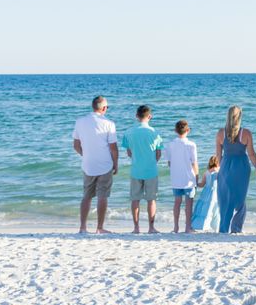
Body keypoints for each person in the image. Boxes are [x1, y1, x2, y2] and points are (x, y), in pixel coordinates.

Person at [72, 96, 118, 234]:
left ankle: (83, 227)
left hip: (88, 164)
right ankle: (99, 227)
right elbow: (113, 148)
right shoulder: (108, 123)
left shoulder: (80, 122)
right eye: (107, 107)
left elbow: (76, 145)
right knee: (102, 196)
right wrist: (116, 163)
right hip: (105, 165)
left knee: (86, 196)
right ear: (103, 108)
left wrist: (85, 155)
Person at [216, 105, 256, 233]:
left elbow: (218, 156)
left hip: (226, 166)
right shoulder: (246, 133)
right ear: (240, 117)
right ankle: (236, 227)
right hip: (242, 167)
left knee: (225, 198)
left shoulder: (220, 133)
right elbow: (251, 154)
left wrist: (218, 171)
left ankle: (224, 227)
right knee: (240, 198)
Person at [121, 104, 163, 234]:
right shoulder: (155, 133)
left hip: (136, 170)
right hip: (151, 170)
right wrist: (151, 162)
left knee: (135, 199)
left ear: (136, 116)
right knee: (151, 200)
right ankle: (151, 228)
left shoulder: (128, 132)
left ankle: (136, 228)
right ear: (149, 116)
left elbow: (129, 153)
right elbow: (158, 154)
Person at [167, 119, 199, 233]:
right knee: (189, 204)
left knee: (177, 202)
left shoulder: (170, 145)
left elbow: (169, 162)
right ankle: (187, 227)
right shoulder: (191, 145)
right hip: (189, 179)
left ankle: (176, 227)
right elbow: (194, 163)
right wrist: (197, 176)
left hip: (176, 179)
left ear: (175, 131)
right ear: (188, 130)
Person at [191, 155, 221, 232]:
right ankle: (217, 227)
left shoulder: (207, 172)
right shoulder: (220, 171)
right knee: (216, 209)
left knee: (205, 209)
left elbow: (202, 184)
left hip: (206, 193)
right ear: (217, 162)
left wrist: (195, 183)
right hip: (216, 192)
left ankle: (202, 225)